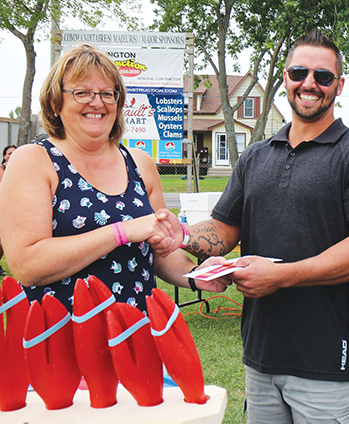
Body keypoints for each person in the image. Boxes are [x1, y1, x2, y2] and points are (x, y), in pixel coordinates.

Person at [166, 31, 349, 424]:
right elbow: (223, 229)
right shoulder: (256, 156)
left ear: (338, 86)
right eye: (299, 72)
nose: (310, 83)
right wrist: (177, 235)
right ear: (286, 78)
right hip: (263, 355)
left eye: (323, 75)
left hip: (330, 360)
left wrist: (282, 277)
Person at [0, 44, 227, 314]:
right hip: (62, 339)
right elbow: (27, 266)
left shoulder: (139, 162)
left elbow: (159, 254)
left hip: (135, 334)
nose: (97, 102)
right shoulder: (33, 161)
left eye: (108, 93)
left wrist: (196, 274)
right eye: (82, 92)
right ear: (54, 102)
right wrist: (122, 232)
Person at [0, 144, 16, 274]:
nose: (11, 156)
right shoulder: (1, 170)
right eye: (9, 153)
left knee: (5, 240)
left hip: (13, 208)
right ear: (4, 156)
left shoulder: (20, 170)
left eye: (14, 153)